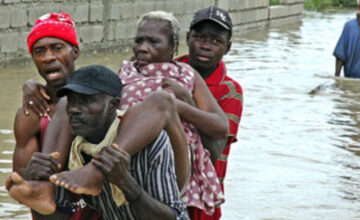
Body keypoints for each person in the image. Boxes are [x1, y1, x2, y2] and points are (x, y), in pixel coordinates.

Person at [20, 10, 228, 217]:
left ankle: (96, 171)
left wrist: (180, 104)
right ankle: (46, 186)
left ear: (173, 46)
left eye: (153, 42)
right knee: (69, 101)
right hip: (126, 158)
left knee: (160, 100)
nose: (143, 48)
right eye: (139, 41)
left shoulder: (185, 74)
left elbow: (221, 126)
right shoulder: (127, 70)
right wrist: (32, 86)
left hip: (167, 157)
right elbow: (92, 89)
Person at [6, 65, 188, 219]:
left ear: (113, 105)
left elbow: (175, 216)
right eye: (73, 101)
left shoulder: (150, 143)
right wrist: (38, 185)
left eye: (87, 101)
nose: (75, 109)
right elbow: (59, 217)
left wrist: (127, 185)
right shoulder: (75, 148)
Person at [10, 12, 100, 219]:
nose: (48, 57)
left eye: (57, 48)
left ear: (75, 52)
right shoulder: (31, 113)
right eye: (39, 51)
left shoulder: (99, 99)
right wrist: (31, 174)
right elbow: (19, 190)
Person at [175, 6, 243, 220]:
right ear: (187, 38)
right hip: (160, 189)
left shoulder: (230, 91)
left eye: (216, 41)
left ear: (228, 47)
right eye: (200, 37)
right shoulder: (168, 70)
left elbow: (214, 150)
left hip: (203, 199)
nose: (205, 46)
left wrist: (186, 101)